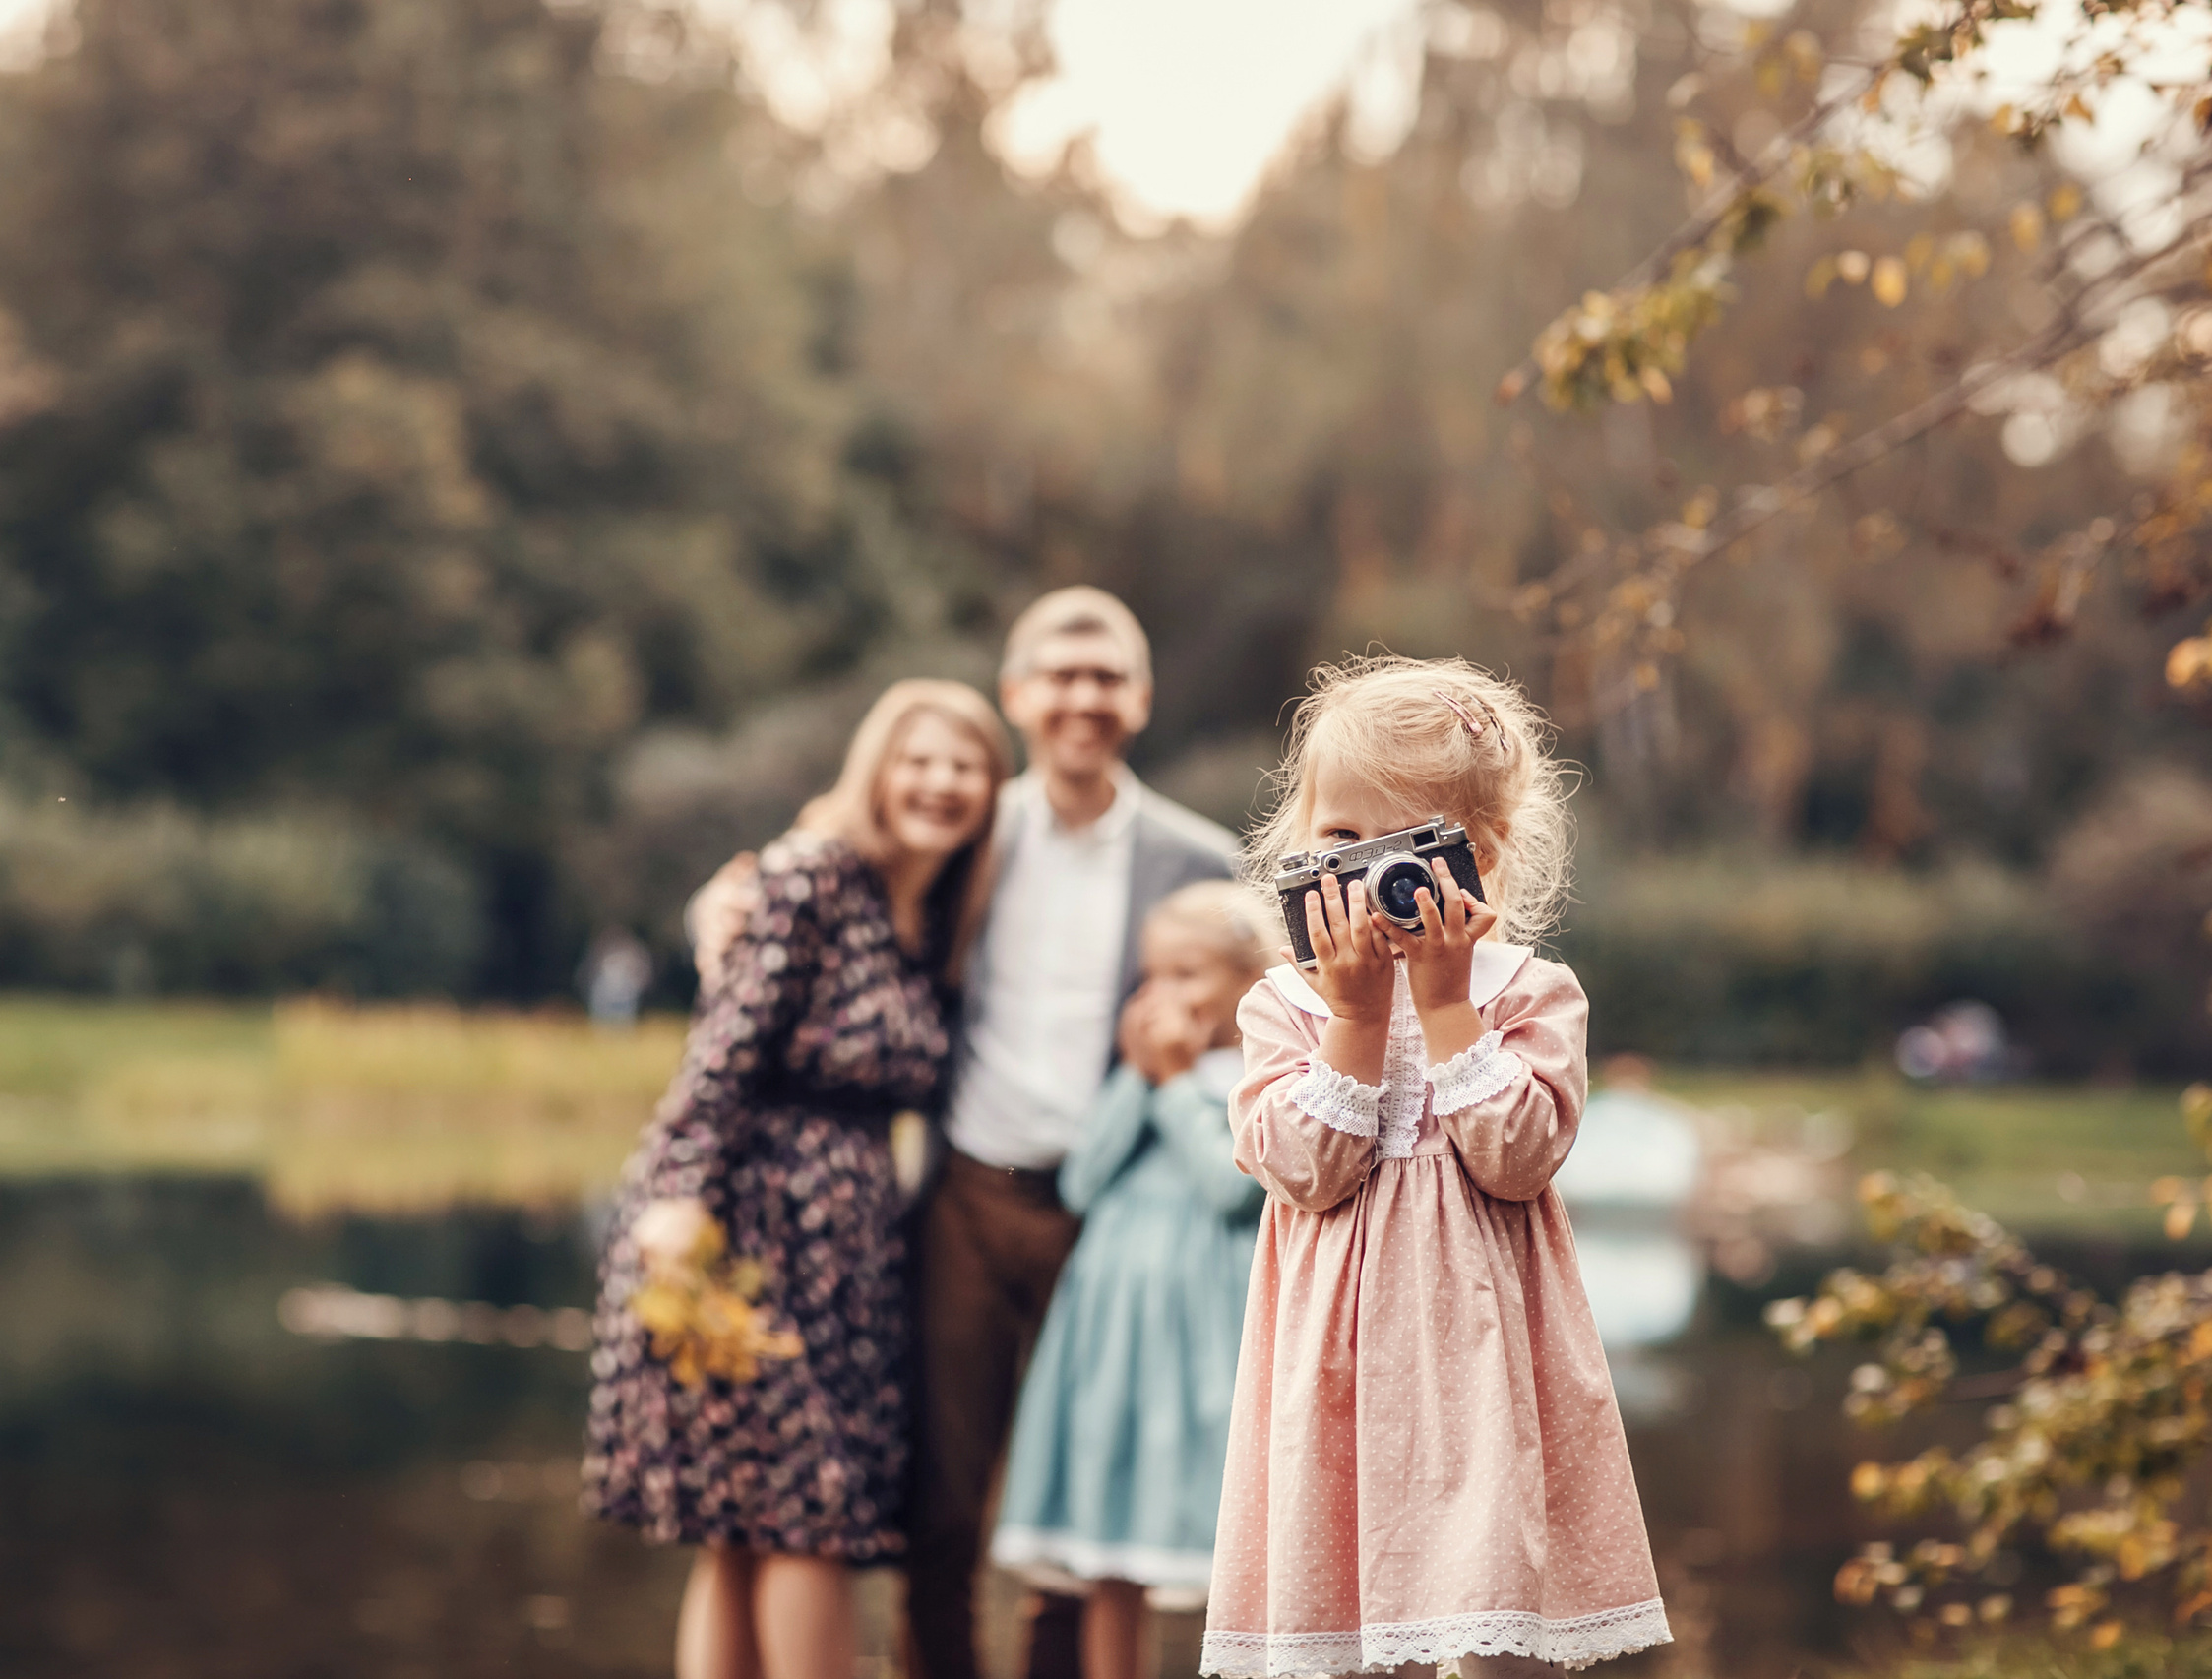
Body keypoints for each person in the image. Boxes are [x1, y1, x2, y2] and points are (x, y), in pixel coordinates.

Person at [690, 587, 1238, 1679]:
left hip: (1115, 1207)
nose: (1084, 697)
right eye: (1061, 674)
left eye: (1107, 676)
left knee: (1086, 1503)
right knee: (939, 1500)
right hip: (964, 1199)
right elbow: (812, 895)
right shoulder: (963, 830)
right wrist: (711, 923)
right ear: (1018, 695)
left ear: (1140, 697)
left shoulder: (1201, 860)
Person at [1200, 657, 1670, 1679]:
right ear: (1296, 835)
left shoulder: (1530, 992)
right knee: (1355, 1621)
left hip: (1483, 1356)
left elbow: (1517, 1159)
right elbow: (1303, 1172)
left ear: (1479, 855)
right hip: (1338, 1357)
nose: (1365, 872)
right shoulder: (1283, 1004)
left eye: (1404, 843)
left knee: (1491, 1618)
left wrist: (1448, 1004)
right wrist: (1359, 1018)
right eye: (1338, 838)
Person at [583, 679, 1012, 1679]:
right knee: (800, 1512)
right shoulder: (812, 875)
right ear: (875, 768)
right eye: (919, 759)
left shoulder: (933, 914)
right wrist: (680, 1198)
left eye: (965, 766)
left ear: (991, 793)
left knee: (746, 1523)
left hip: (850, 1242)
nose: (940, 783)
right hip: (742, 1220)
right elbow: (719, 1051)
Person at [989, 881, 1275, 1679]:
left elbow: (1229, 1190)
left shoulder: (1258, 1077)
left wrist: (1178, 1081)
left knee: (1226, 1532)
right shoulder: (1145, 1072)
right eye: (1153, 976)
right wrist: (1137, 1077)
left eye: (1190, 975)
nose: (1164, 996)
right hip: (1113, 1329)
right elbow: (1082, 1183)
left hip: (1204, 1330)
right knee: (1111, 1544)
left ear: (1252, 982)